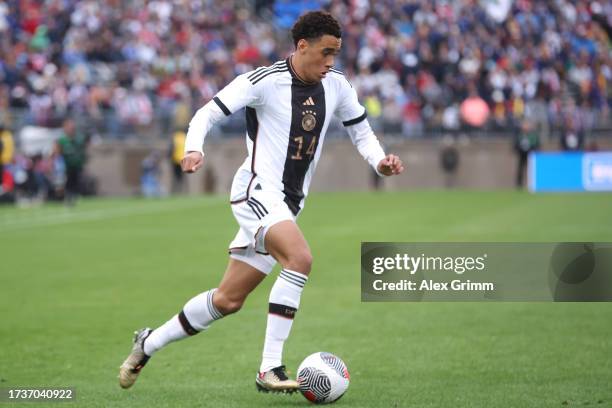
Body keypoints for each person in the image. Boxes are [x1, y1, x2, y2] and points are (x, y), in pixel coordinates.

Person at [118, 11, 404, 394]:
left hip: (289, 203)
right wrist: (193, 149)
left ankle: (147, 343)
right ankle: (270, 367)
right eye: (325, 52)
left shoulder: (336, 85)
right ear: (302, 46)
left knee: (228, 299)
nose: (331, 62)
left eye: (336, 53)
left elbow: (362, 133)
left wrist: (380, 162)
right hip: (256, 192)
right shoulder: (263, 81)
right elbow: (207, 112)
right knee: (300, 259)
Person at [55, 118, 88, 205]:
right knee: (66, 182)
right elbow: (57, 152)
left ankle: (73, 196)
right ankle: (65, 197)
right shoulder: (62, 140)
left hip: (76, 165)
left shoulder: (78, 138)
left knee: (75, 182)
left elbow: (83, 150)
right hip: (66, 166)